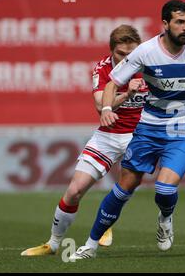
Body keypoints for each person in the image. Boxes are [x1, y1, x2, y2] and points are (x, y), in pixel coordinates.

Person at [69, 0, 185, 260]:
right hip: (149, 127)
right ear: (165, 24)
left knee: (165, 189)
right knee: (123, 189)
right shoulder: (145, 53)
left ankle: (166, 218)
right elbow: (112, 83)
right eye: (179, 22)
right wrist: (108, 108)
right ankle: (91, 245)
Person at [21, 25, 147, 256]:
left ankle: (104, 225)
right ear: (111, 52)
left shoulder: (149, 65)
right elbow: (100, 105)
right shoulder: (103, 68)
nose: (127, 59)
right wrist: (127, 93)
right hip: (108, 136)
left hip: (140, 136)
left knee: (126, 187)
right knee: (75, 190)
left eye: (132, 54)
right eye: (121, 54)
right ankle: (53, 244)